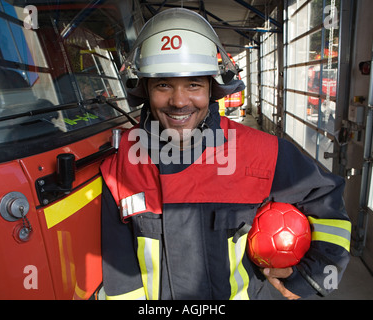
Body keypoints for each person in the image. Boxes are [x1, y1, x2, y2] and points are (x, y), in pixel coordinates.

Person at [100, 8, 351, 300]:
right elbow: (120, 274)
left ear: (212, 87)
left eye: (193, 84)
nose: (179, 101)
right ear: (144, 88)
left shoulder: (261, 152)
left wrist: (313, 278)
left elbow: (327, 201)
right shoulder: (121, 167)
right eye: (163, 84)